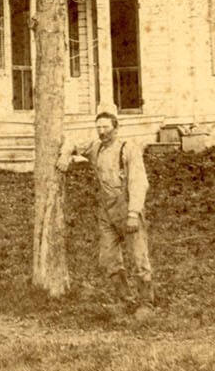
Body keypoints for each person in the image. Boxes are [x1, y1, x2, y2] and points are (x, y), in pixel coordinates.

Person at [59, 103, 154, 316]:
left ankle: (146, 303)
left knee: (139, 257)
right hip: (106, 211)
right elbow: (72, 142)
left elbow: (139, 182)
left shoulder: (128, 149)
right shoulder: (97, 147)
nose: (102, 132)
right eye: (99, 128)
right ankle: (125, 299)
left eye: (106, 127)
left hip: (127, 208)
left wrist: (133, 213)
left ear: (116, 128)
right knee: (109, 258)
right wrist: (65, 155)